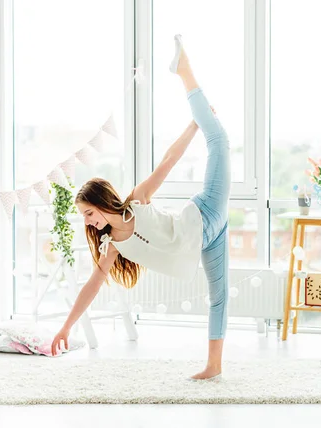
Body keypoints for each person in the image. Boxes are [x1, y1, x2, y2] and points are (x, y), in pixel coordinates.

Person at [51, 35, 231, 380]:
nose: (87, 223)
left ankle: (185, 72)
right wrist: (66, 328)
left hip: (205, 215)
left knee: (217, 139)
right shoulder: (113, 244)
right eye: (84, 218)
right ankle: (214, 366)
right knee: (219, 296)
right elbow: (92, 285)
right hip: (205, 241)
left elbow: (168, 161)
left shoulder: (135, 203)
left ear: (102, 204)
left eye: (88, 213)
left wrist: (195, 124)